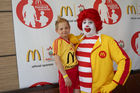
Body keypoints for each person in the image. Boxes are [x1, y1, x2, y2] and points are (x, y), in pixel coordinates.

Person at [71, 8, 132, 93]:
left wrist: (114, 83)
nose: (87, 25)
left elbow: (125, 61)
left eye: (90, 22)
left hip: (100, 90)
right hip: (81, 90)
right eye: (84, 22)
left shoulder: (107, 41)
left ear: (96, 24)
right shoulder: (77, 41)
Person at [52, 16, 80, 93]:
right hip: (66, 72)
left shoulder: (71, 40)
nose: (64, 30)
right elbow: (57, 60)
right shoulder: (57, 42)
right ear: (57, 31)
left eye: (66, 28)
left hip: (75, 69)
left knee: (77, 90)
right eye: (61, 29)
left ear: (69, 28)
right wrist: (65, 76)